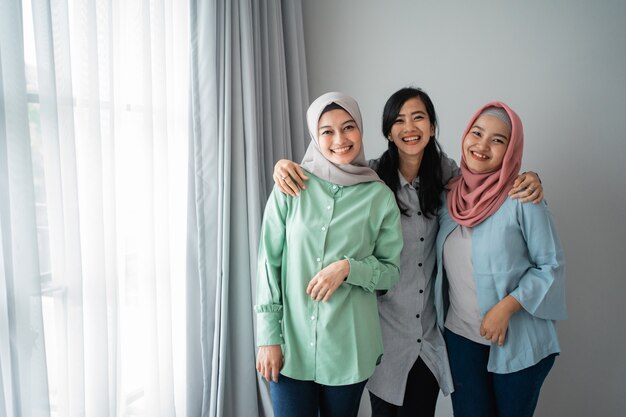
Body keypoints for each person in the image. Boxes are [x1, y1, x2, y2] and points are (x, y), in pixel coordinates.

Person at [272, 87, 544, 417]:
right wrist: (285, 165)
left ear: (432, 127)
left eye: (419, 118)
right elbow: (325, 177)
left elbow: (488, 184)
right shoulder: (366, 182)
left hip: (427, 336)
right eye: (399, 120)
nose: (409, 127)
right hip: (381, 335)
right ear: (388, 130)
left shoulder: (451, 180)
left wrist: (529, 177)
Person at [255, 92, 404, 417]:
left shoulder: (379, 197)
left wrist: (349, 269)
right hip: (290, 345)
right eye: (327, 131)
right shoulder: (292, 184)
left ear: (360, 130)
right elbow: (269, 262)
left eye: (348, 127)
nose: (340, 139)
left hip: (348, 350)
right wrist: (268, 337)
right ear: (315, 135)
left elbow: (391, 272)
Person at [434, 102, 567, 417]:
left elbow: (550, 266)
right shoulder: (447, 196)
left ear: (511, 150)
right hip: (461, 339)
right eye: (477, 133)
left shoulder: (523, 198)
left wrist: (505, 308)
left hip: (517, 340)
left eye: (498, 140)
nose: (482, 145)